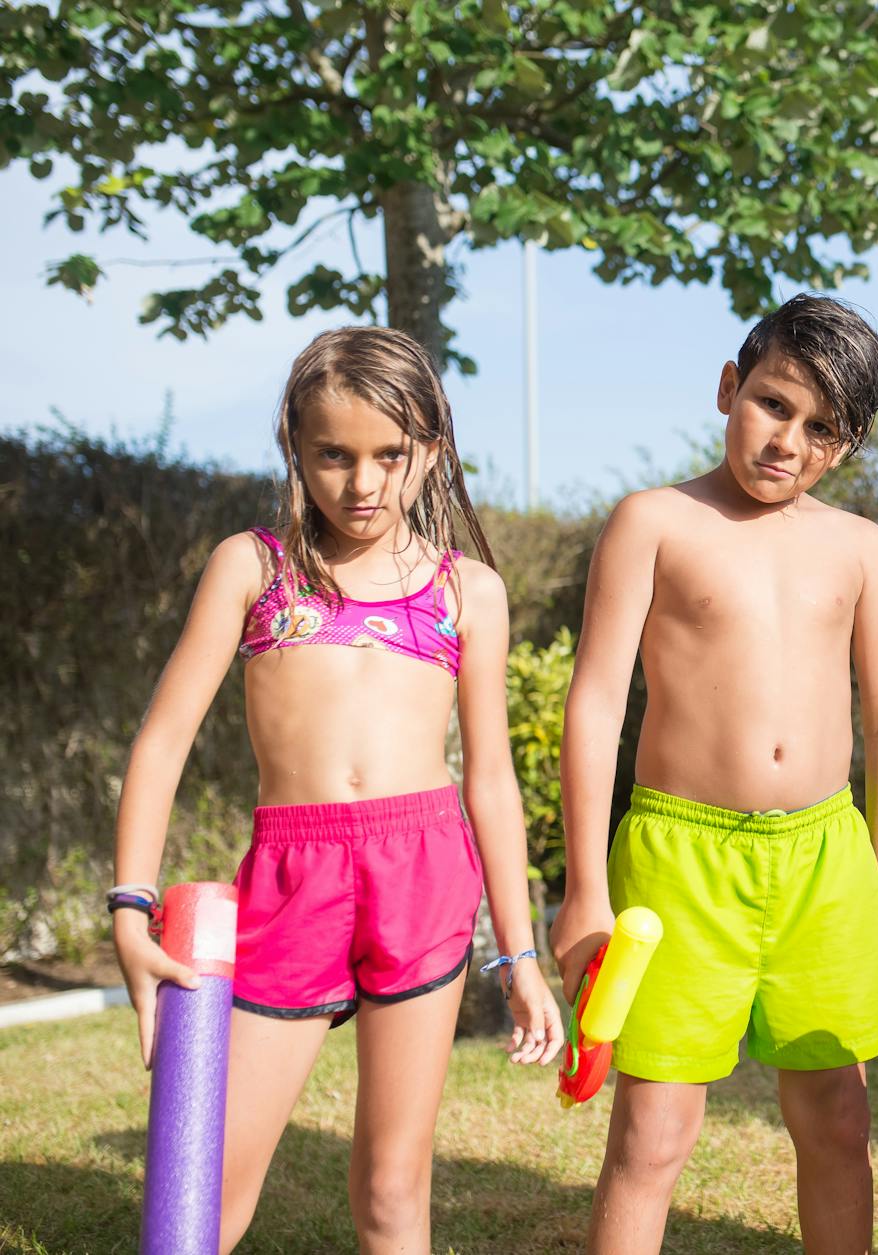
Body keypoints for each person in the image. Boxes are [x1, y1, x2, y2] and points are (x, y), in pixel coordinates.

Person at [109, 326, 561, 1255]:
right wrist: (129, 906)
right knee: (199, 1186)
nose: (365, 484)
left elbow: (492, 782)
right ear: (295, 448)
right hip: (290, 878)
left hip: (425, 869)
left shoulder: (467, 590)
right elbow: (161, 744)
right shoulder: (254, 568)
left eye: (391, 455)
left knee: (394, 1188)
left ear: (431, 446)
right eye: (335, 455)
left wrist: (520, 954)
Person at [550, 293, 878, 1255]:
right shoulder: (654, 521)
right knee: (653, 1132)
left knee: (839, 1118)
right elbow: (594, 707)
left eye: (822, 428)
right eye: (773, 404)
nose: (789, 440)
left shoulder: (861, 548)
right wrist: (585, 885)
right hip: (680, 861)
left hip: (826, 859)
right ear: (729, 388)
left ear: (848, 444)